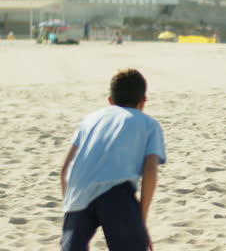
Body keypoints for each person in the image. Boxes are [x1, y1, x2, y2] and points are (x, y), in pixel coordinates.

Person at [60, 69, 166, 251]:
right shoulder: (149, 124)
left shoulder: (89, 120)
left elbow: (65, 171)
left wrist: (69, 209)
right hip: (116, 193)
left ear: (110, 100)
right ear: (143, 101)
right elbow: (150, 172)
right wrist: (141, 221)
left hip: (77, 191)